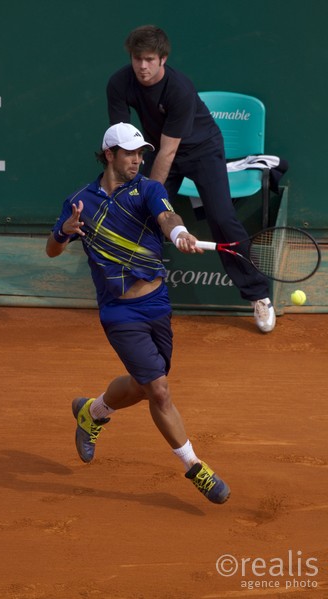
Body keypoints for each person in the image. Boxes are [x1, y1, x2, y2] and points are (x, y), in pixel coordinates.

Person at [46, 122, 230, 504]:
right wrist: (64, 231)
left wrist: (179, 234)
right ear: (109, 154)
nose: (138, 159)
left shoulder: (149, 189)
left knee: (144, 386)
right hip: (119, 312)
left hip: (157, 304)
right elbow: (52, 249)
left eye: (141, 152)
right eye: (130, 153)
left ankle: (92, 413)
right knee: (159, 391)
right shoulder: (81, 201)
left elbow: (167, 218)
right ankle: (195, 467)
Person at [106, 24, 276, 333]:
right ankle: (134, 295)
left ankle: (258, 294)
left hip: (201, 150)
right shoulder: (119, 83)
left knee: (223, 219)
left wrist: (148, 193)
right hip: (158, 149)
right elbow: (122, 141)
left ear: (163, 58)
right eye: (136, 59)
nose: (142, 67)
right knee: (139, 218)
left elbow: (168, 154)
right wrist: (127, 189)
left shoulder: (179, 89)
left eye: (149, 59)